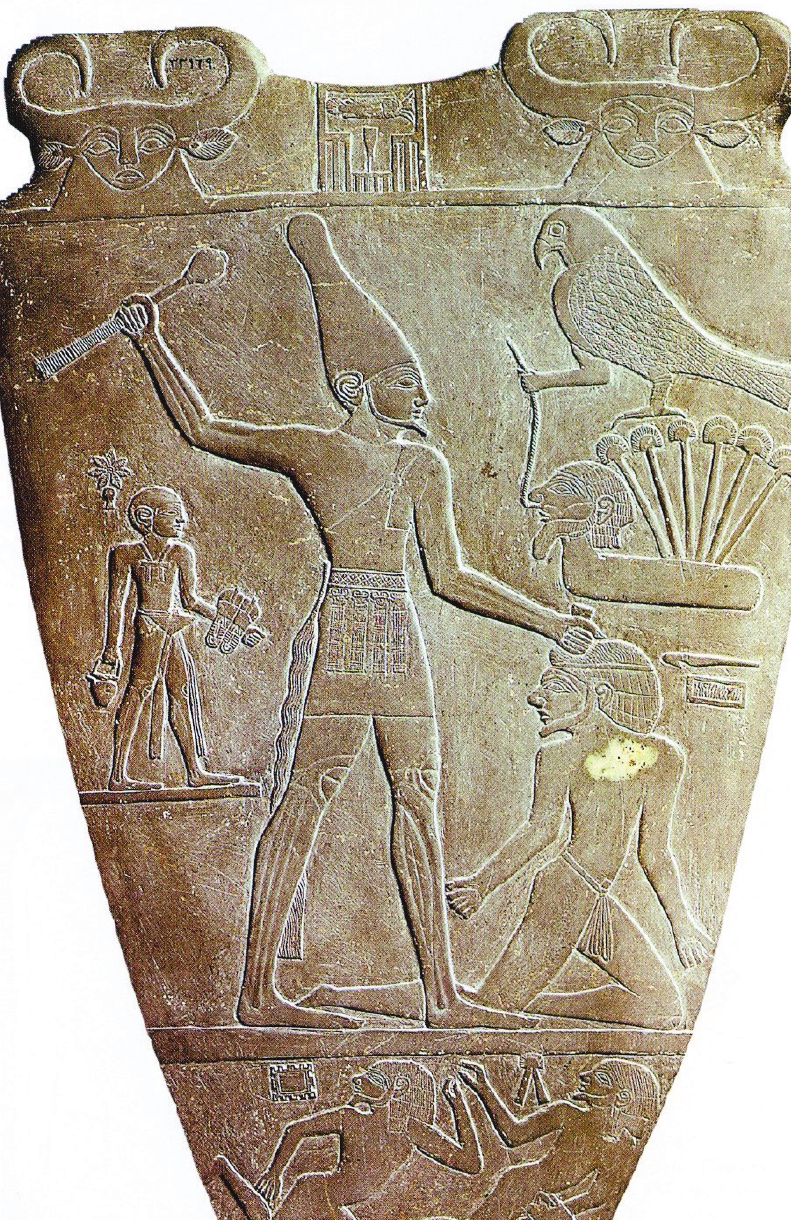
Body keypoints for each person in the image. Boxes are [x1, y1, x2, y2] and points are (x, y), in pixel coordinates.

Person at [114, 212, 586, 1029]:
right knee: (305, 797)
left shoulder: (420, 463)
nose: (423, 396)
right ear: (357, 388)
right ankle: (258, 990)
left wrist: (545, 619)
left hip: (393, 633)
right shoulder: (317, 449)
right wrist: (151, 340)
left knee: (418, 797)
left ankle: (442, 995)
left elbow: (451, 575)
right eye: (406, 381)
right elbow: (205, 429)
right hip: (347, 630)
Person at [447, 632, 711, 1025]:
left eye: (554, 687)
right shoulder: (559, 757)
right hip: (564, 892)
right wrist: (481, 885)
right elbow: (542, 830)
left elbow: (654, 852)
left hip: (594, 899)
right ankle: (397, 997)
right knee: (486, 1012)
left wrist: (683, 924)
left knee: (665, 1010)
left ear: (600, 694)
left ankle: (526, 1007)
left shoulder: (662, 759)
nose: (537, 698)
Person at [210, 1061, 481, 1220]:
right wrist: (275, 1172)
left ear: (396, 1094)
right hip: (315, 1194)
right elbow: (296, 1130)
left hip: (331, 1203)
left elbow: (470, 1163)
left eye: (375, 1082)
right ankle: (224, 1168)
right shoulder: (351, 1117)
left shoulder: (411, 1130)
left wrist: (459, 1104)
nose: (363, 1084)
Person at [375, 1056, 660, 1220]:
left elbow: (598, 1195)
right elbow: (514, 1134)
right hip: (524, 1184)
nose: (584, 1076)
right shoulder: (568, 1113)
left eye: (600, 1078)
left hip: (545, 1198)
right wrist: (483, 1087)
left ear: (622, 1097)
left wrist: (563, 1207)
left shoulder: (622, 1146)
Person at [91, 485, 251, 791]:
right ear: (146, 517)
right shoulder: (126, 554)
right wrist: (112, 648)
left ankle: (195, 771)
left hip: (173, 626)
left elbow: (190, 600)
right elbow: (117, 603)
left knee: (181, 693)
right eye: (173, 514)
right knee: (138, 692)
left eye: (182, 514)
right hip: (149, 627)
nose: (182, 520)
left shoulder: (181, 553)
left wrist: (234, 626)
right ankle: (118, 775)